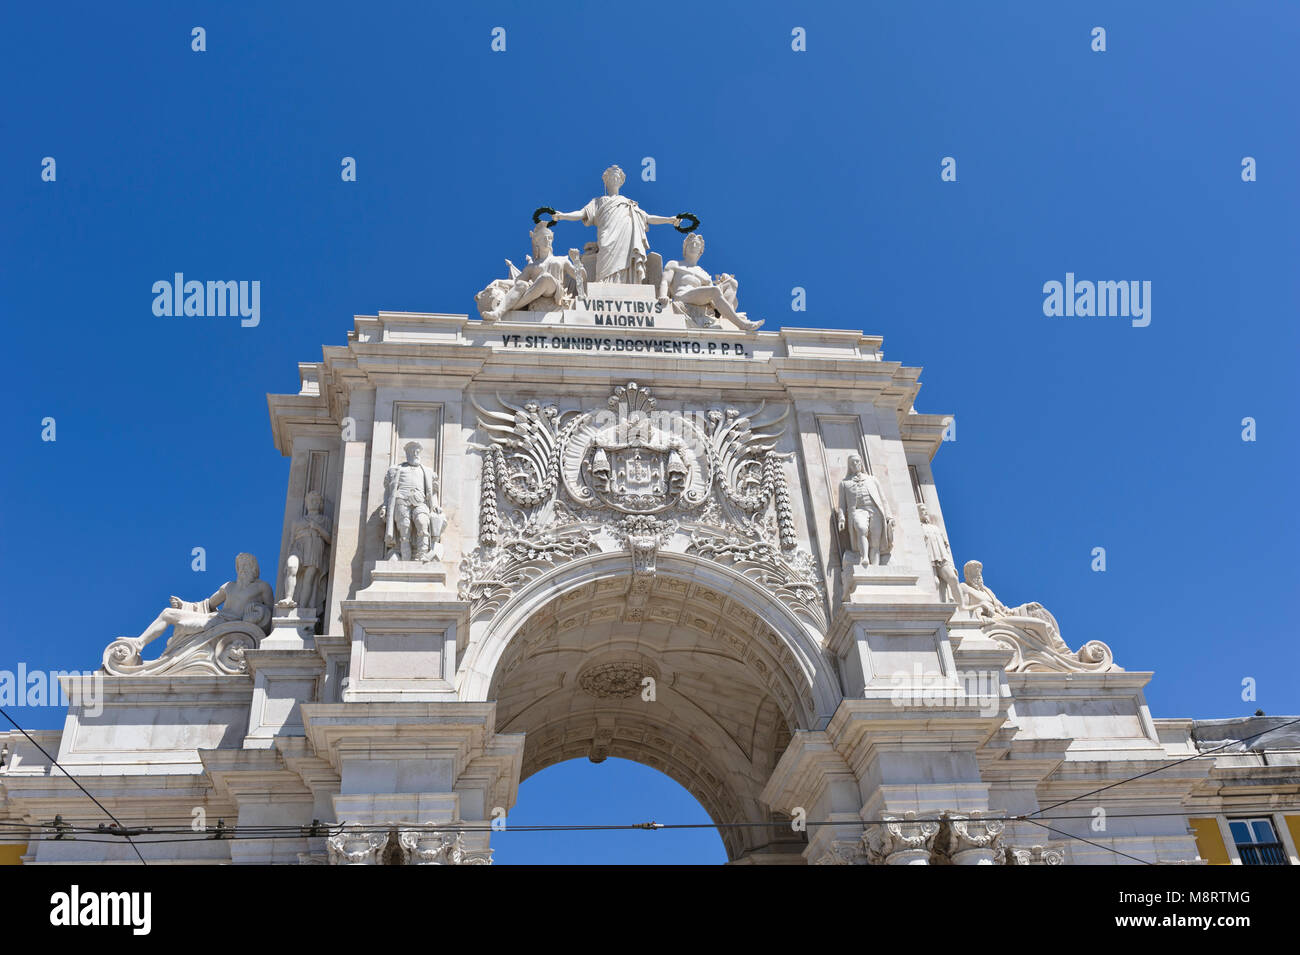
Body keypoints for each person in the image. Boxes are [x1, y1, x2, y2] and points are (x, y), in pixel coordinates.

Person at [551, 165, 681, 284]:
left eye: (617, 176)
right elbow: (581, 214)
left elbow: (647, 217)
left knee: (627, 259)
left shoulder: (628, 203)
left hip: (626, 236)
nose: (614, 178)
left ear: (621, 181)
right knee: (605, 254)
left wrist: (669, 219)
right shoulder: (598, 201)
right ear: (605, 180)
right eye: (611, 176)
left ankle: (628, 284)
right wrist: (562, 215)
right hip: (607, 235)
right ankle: (603, 284)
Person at [128, 553, 273, 654]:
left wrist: (258, 610)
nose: (243, 569)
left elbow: (272, 613)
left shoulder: (262, 587)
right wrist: (183, 604)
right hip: (215, 620)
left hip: (227, 625)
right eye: (241, 566)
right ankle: (138, 643)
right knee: (167, 613)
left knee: (179, 623)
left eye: (247, 565)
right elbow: (208, 605)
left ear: (254, 569)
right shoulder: (229, 586)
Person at [660, 233, 762, 330]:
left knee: (732, 282)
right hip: (682, 297)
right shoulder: (675, 264)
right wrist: (663, 295)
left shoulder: (703, 273)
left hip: (700, 299)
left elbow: (713, 298)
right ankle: (741, 324)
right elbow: (665, 282)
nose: (694, 245)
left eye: (697, 245)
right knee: (714, 290)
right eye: (691, 243)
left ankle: (725, 318)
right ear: (685, 247)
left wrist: (724, 281)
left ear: (701, 250)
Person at [838, 452, 895, 566]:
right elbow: (842, 504)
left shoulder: (872, 479)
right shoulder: (844, 483)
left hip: (875, 511)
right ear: (849, 466)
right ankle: (864, 558)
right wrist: (841, 518)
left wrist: (889, 516)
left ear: (861, 463)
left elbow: (883, 499)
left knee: (875, 542)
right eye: (852, 462)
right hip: (858, 511)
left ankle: (875, 567)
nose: (855, 464)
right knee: (861, 528)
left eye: (857, 461)